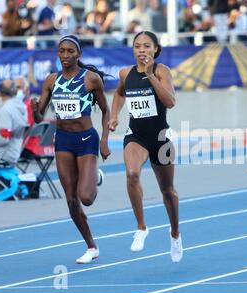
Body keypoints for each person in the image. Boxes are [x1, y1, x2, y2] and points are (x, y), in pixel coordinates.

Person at [32, 35, 111, 264]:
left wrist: (104, 141)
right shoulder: (51, 80)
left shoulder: (91, 79)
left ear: (79, 54)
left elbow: (106, 111)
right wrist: (36, 109)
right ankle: (91, 246)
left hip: (86, 139)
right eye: (62, 51)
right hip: (63, 141)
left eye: (70, 51)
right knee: (71, 200)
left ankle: (94, 175)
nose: (65, 56)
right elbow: (40, 119)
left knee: (86, 197)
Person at [108, 31, 183, 263]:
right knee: (132, 174)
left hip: (160, 137)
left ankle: (175, 233)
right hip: (136, 136)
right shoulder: (125, 73)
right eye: (137, 46)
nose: (141, 50)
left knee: (168, 191)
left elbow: (170, 101)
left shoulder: (162, 71)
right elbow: (119, 94)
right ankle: (141, 227)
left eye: (146, 46)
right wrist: (114, 115)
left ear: (155, 50)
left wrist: (150, 76)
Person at [0, 80, 27, 165]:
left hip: (3, 153)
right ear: (16, 92)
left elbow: (4, 139)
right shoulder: (23, 108)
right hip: (14, 152)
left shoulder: (6, 110)